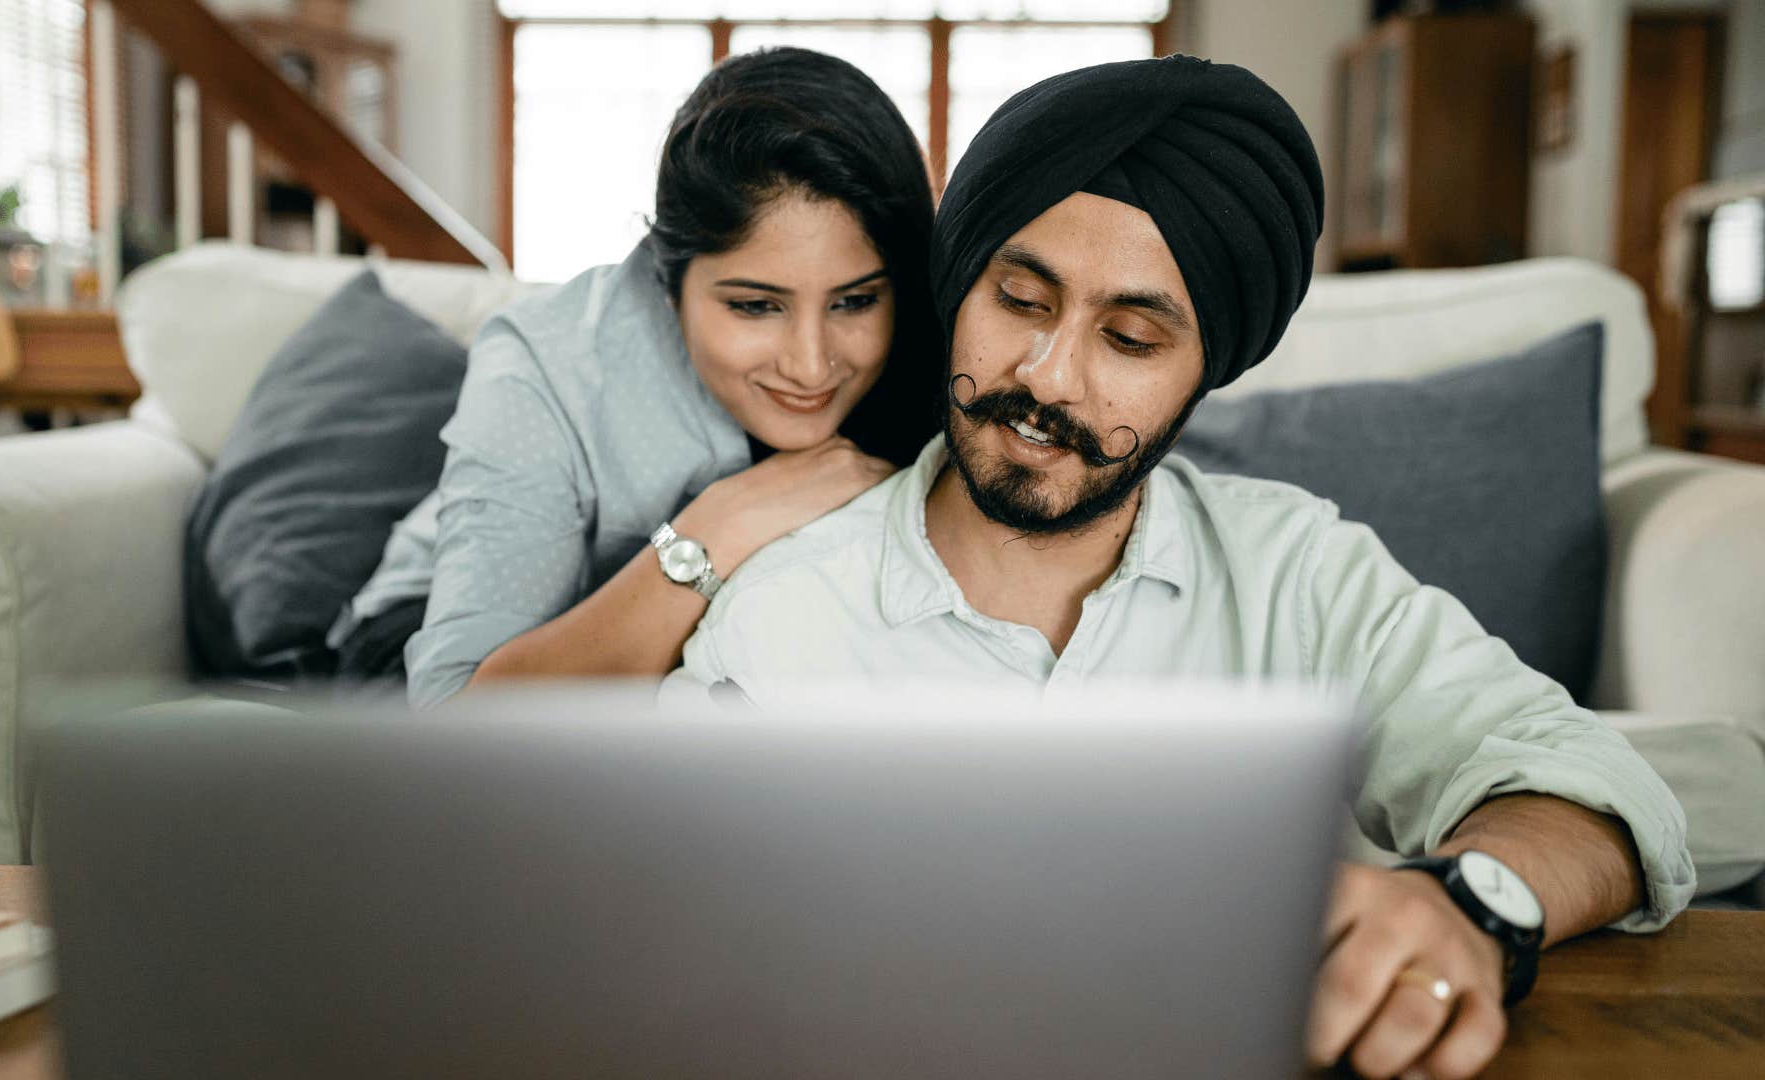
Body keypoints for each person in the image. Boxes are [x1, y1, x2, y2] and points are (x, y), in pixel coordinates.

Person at [663, 56, 1694, 1080]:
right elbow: (653, 928)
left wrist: (1468, 903)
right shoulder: (779, 608)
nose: (1049, 377)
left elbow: (1592, 787)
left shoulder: (1297, 572)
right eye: (1020, 301)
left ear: (1206, 373)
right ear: (960, 289)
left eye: (1131, 337)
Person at [326, 47, 940, 706]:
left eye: (854, 301)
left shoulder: (940, 350)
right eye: (755, 306)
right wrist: (723, 522)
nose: (811, 364)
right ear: (667, 278)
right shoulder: (544, 361)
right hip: (433, 649)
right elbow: (461, 723)